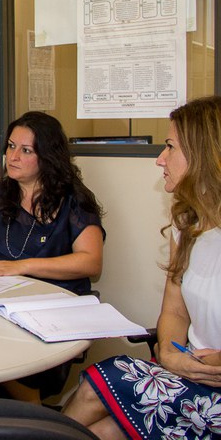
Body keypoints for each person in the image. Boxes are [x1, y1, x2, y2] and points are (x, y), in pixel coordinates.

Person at [63, 96, 221, 440]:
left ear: (205, 155)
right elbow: (175, 312)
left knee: (100, 382)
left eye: (170, 147)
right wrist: (168, 354)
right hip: (185, 376)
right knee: (101, 429)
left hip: (212, 394)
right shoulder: (188, 225)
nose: (160, 160)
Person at [0, 111, 105, 403]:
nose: (12, 156)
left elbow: (90, 261)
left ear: (48, 157)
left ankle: (31, 415)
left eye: (25, 150)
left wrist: (20, 267)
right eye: (11, 146)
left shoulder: (73, 201)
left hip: (51, 312)